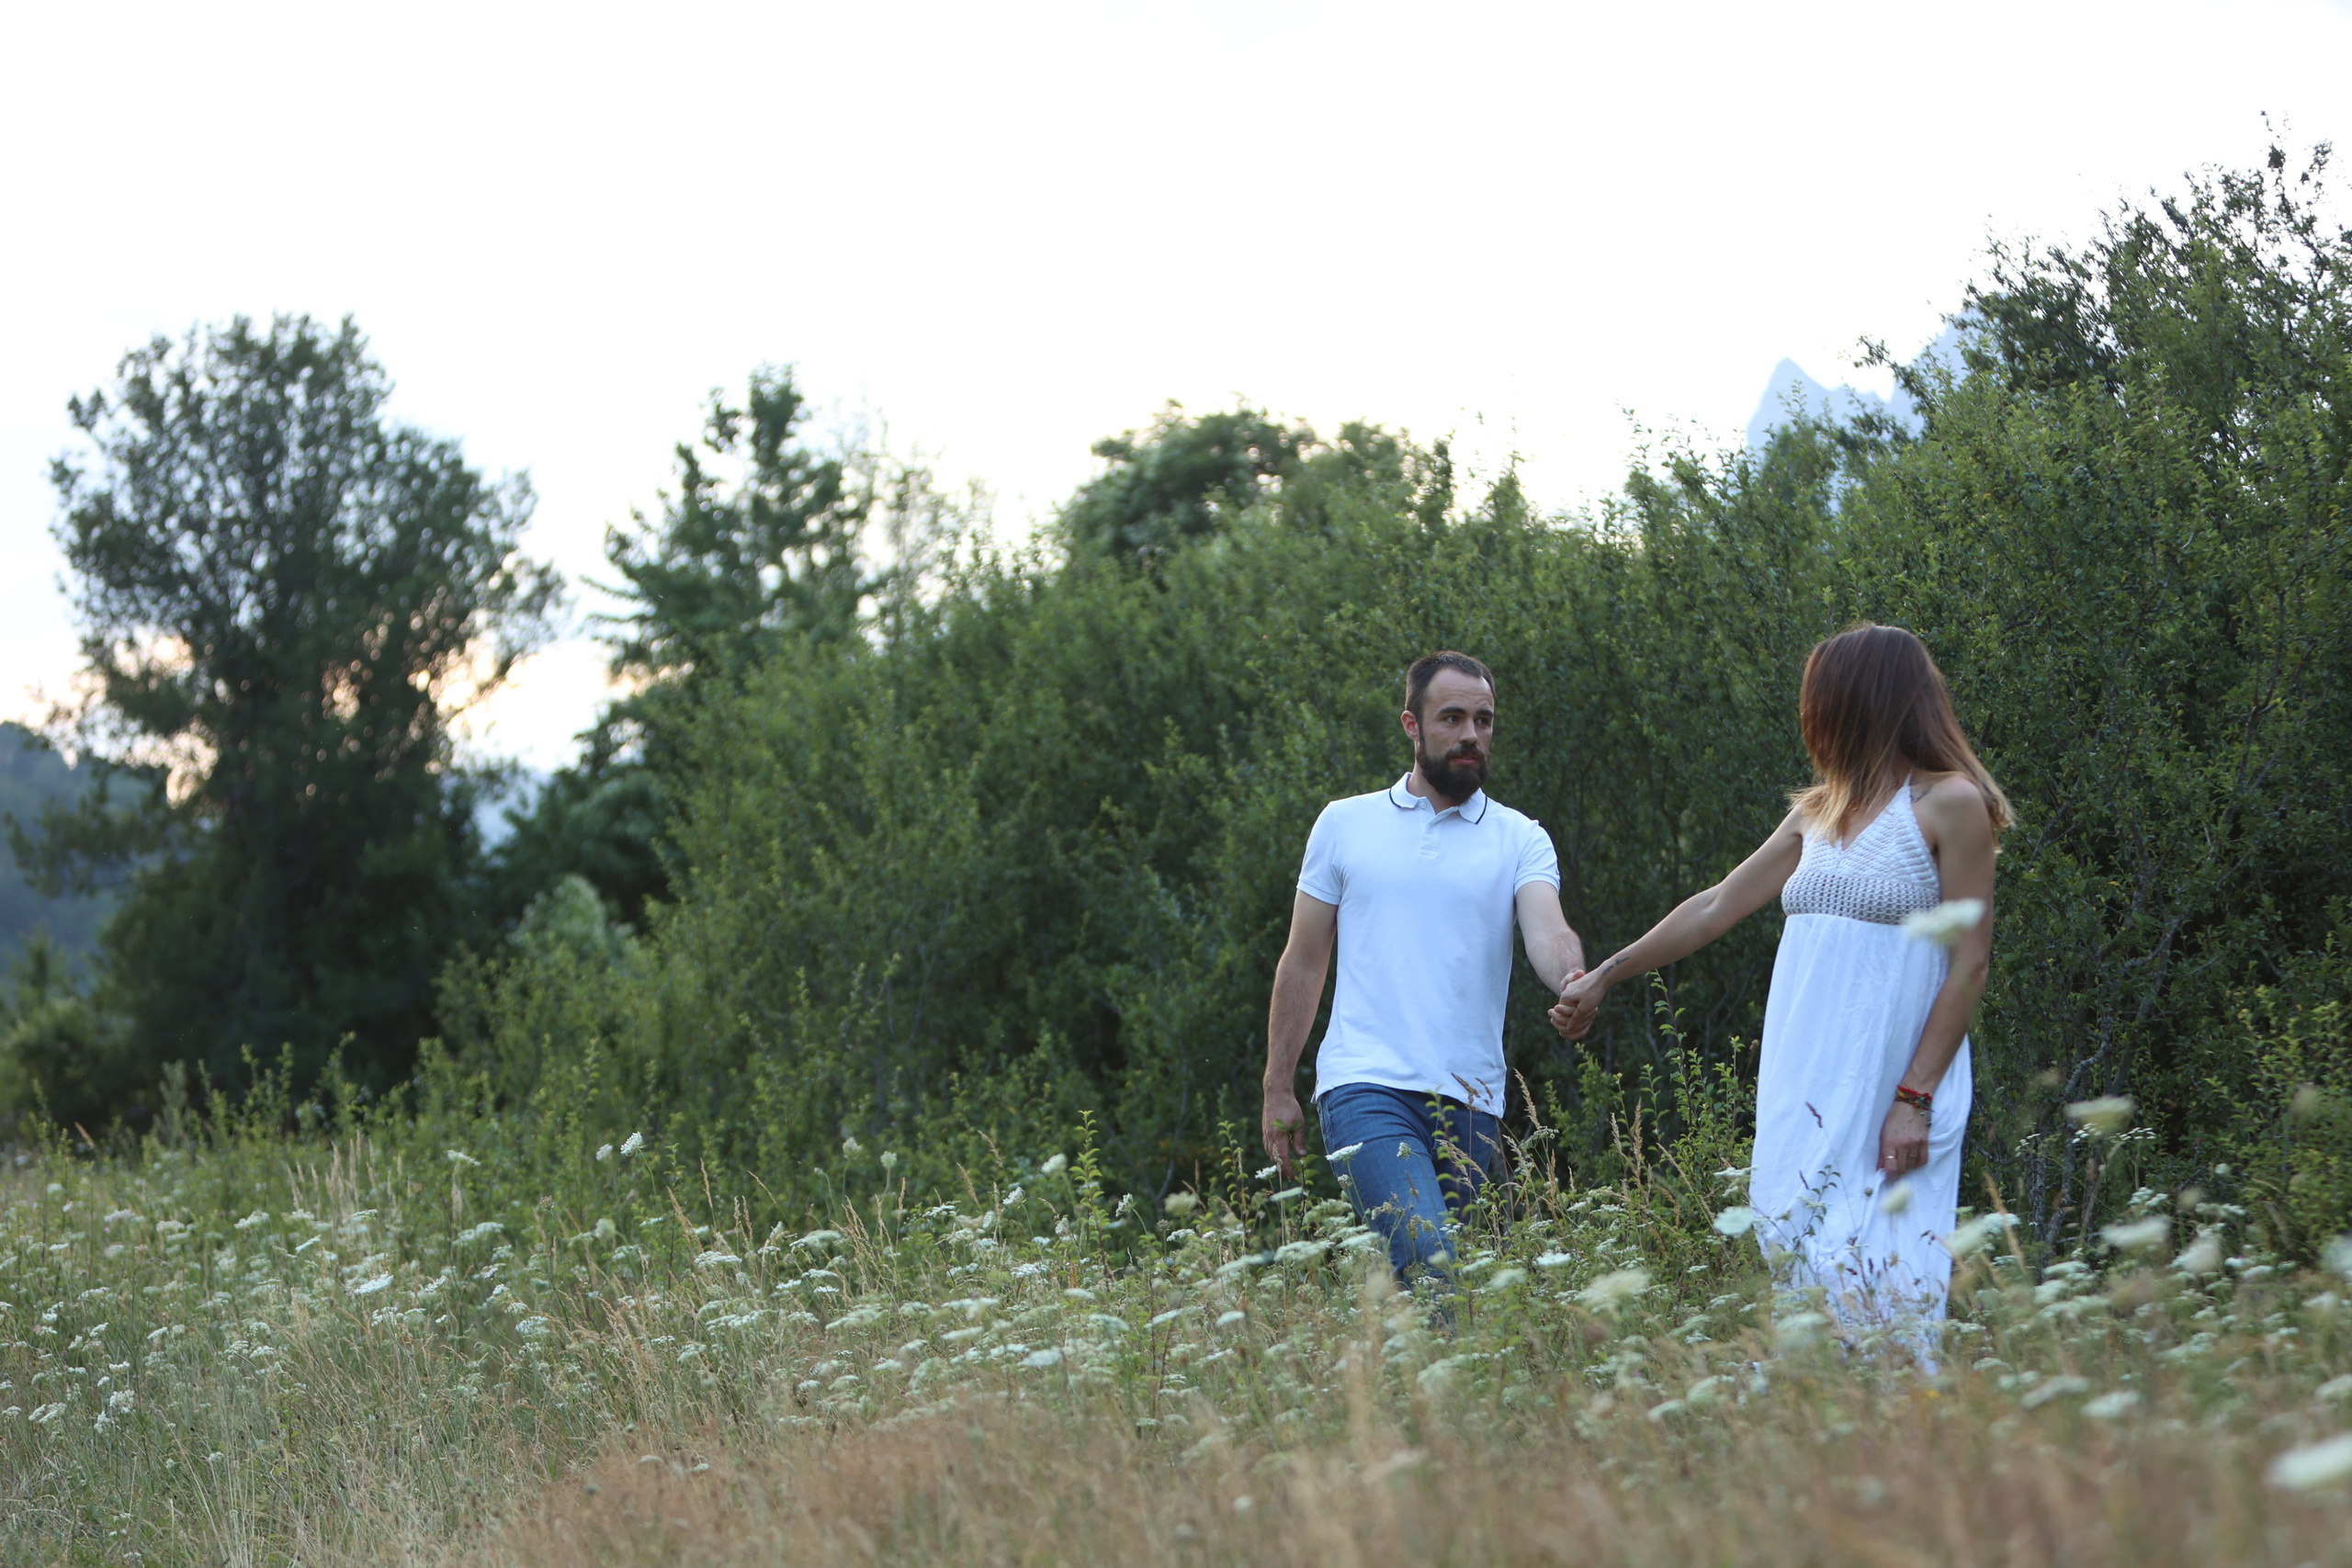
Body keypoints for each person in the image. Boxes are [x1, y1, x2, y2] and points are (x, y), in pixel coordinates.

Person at [1550, 624, 2007, 1337]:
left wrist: (1915, 1096)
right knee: (1798, 1257)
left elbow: (1970, 961)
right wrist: (1607, 974)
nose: (1810, 713)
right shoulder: (1817, 811)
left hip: (1893, 1082)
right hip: (1807, 1078)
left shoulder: (1951, 802)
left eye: (1821, 696)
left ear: (1863, 699)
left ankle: (1894, 1403)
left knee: (1885, 1278)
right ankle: (1814, 1404)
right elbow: (1714, 906)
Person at [1261, 651, 1584, 1289]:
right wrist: (1278, 1084)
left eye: (1483, 721)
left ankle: (1389, 1357)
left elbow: (1548, 931)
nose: (1471, 735)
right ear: (1412, 725)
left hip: (1472, 1100)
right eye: (1452, 718)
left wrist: (1573, 978)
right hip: (1364, 1085)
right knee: (1431, 1258)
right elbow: (1303, 960)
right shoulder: (1345, 823)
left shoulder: (1520, 838)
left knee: (1444, 1286)